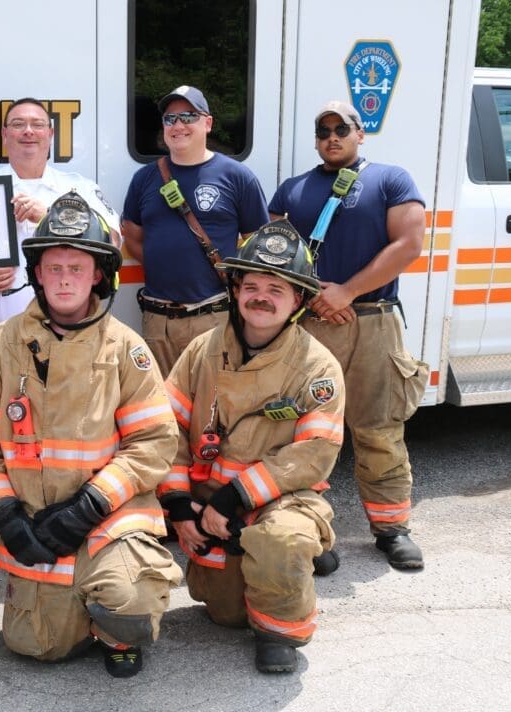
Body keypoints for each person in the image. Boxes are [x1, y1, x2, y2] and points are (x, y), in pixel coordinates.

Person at [0, 191, 182, 678]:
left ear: (98, 274)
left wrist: (91, 505)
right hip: (33, 524)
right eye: (53, 266)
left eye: (76, 267)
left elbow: (154, 442)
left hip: (107, 518)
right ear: (35, 273)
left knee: (130, 602)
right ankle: (79, 609)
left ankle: (115, 626)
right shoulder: (0, 344)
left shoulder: (126, 347)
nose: (64, 278)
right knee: (36, 648)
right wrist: (3, 513)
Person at [160, 218, 344, 673]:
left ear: (298, 300)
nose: (262, 296)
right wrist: (181, 511)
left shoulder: (317, 367)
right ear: (236, 289)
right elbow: (167, 431)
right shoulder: (201, 351)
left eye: (277, 289)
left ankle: (281, 630)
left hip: (277, 501)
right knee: (224, 614)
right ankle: (288, 559)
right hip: (208, 509)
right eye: (253, 285)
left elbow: (313, 455)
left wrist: (232, 498)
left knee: (280, 543)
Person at [268, 100, 429, 570]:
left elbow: (409, 243)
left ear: (362, 134)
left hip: (374, 321)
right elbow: (274, 250)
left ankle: (391, 529)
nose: (332, 137)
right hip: (308, 322)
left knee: (379, 428)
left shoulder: (392, 179)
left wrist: (348, 291)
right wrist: (312, 293)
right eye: (323, 131)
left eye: (342, 128)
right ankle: (307, 530)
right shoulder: (292, 189)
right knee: (302, 433)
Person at [122, 85, 269, 377]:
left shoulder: (236, 176)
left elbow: (259, 242)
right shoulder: (144, 179)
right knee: (161, 408)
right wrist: (164, 265)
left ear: (208, 123)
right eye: (170, 119)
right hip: (157, 320)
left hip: (213, 316)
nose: (178, 125)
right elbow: (132, 235)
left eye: (188, 116)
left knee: (212, 407)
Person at [0, 98, 121, 342]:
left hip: (69, 334)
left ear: (50, 133)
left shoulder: (80, 188)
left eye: (37, 124)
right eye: (18, 124)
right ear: (5, 134)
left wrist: (50, 216)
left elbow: (112, 243)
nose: (28, 131)